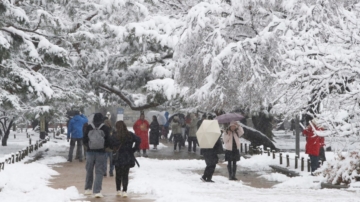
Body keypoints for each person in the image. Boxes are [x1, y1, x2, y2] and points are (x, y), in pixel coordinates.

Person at [83, 113, 111, 198]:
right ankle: (97, 191)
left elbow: (84, 139)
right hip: (101, 152)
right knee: (99, 171)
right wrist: (105, 147)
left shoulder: (88, 127)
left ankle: (88, 189)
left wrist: (88, 146)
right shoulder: (105, 128)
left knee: (89, 170)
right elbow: (108, 140)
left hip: (90, 152)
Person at [110, 121, 140, 198]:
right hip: (127, 156)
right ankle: (125, 190)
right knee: (125, 174)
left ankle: (118, 190)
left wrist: (114, 149)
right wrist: (133, 149)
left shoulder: (115, 135)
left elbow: (110, 144)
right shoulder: (129, 134)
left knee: (118, 174)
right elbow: (138, 140)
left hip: (118, 156)